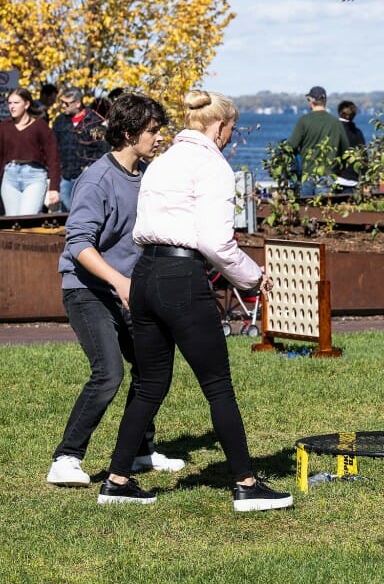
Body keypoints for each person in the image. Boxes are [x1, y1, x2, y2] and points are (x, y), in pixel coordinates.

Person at [99, 89, 292, 512]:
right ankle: (245, 484)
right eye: (231, 129)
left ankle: (116, 480)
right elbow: (217, 243)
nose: (230, 137)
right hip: (181, 277)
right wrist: (254, 278)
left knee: (149, 384)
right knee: (218, 385)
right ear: (219, 127)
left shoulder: (161, 161)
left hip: (145, 274)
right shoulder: (212, 165)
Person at [47, 92, 185, 487]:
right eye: (152, 131)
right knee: (108, 373)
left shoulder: (146, 177)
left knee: (150, 368)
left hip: (127, 290)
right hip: (87, 290)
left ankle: (140, 450)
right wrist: (118, 280)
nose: (159, 138)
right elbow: (79, 245)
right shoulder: (97, 179)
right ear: (127, 134)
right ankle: (66, 458)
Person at [0, 88, 61, 216]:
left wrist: (54, 188)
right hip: (10, 178)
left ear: (26, 104)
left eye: (16, 103)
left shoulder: (40, 126)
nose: (12, 107)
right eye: (9, 103)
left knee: (27, 218)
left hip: (35, 177)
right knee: (13, 222)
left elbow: (53, 158)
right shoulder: (4, 128)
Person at [51, 86, 109, 212]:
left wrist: (90, 167)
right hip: (65, 176)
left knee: (85, 211)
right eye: (61, 102)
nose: (63, 106)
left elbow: (103, 149)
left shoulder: (94, 121)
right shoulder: (60, 121)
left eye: (66, 103)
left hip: (87, 176)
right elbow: (53, 147)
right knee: (67, 212)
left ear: (78, 103)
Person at [286, 85, 349, 198]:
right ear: (325, 101)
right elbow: (346, 150)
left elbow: (290, 146)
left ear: (311, 100)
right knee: (323, 211)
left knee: (306, 211)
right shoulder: (335, 123)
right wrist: (339, 169)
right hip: (328, 175)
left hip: (307, 174)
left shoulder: (304, 121)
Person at [334, 100, 366, 195]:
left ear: (339, 112)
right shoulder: (358, 133)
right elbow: (364, 157)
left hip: (337, 179)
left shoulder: (335, 130)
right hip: (353, 179)